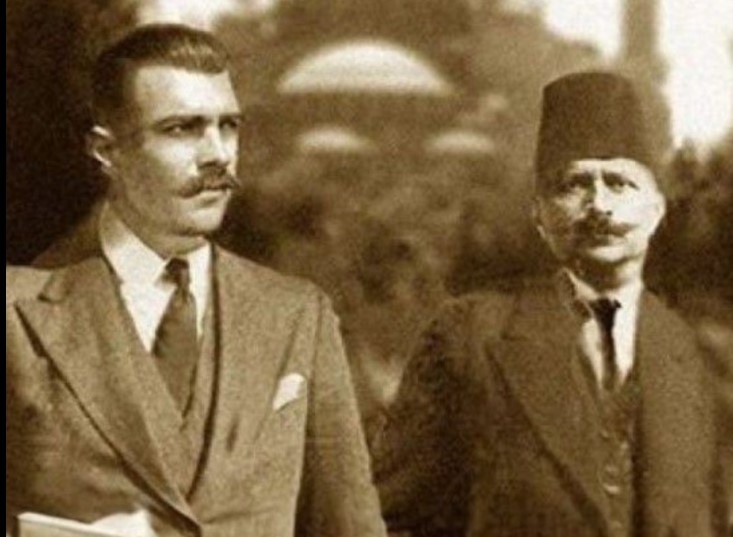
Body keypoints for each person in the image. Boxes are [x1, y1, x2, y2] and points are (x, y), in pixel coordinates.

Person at [6, 24, 386, 537]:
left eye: (228, 126)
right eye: (181, 129)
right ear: (106, 152)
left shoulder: (298, 314)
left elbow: (350, 526)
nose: (217, 155)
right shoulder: (17, 314)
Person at [372, 71, 729, 537]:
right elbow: (384, 521)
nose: (599, 206)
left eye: (620, 183)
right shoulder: (470, 339)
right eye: (573, 185)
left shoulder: (698, 355)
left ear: (657, 209)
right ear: (539, 214)